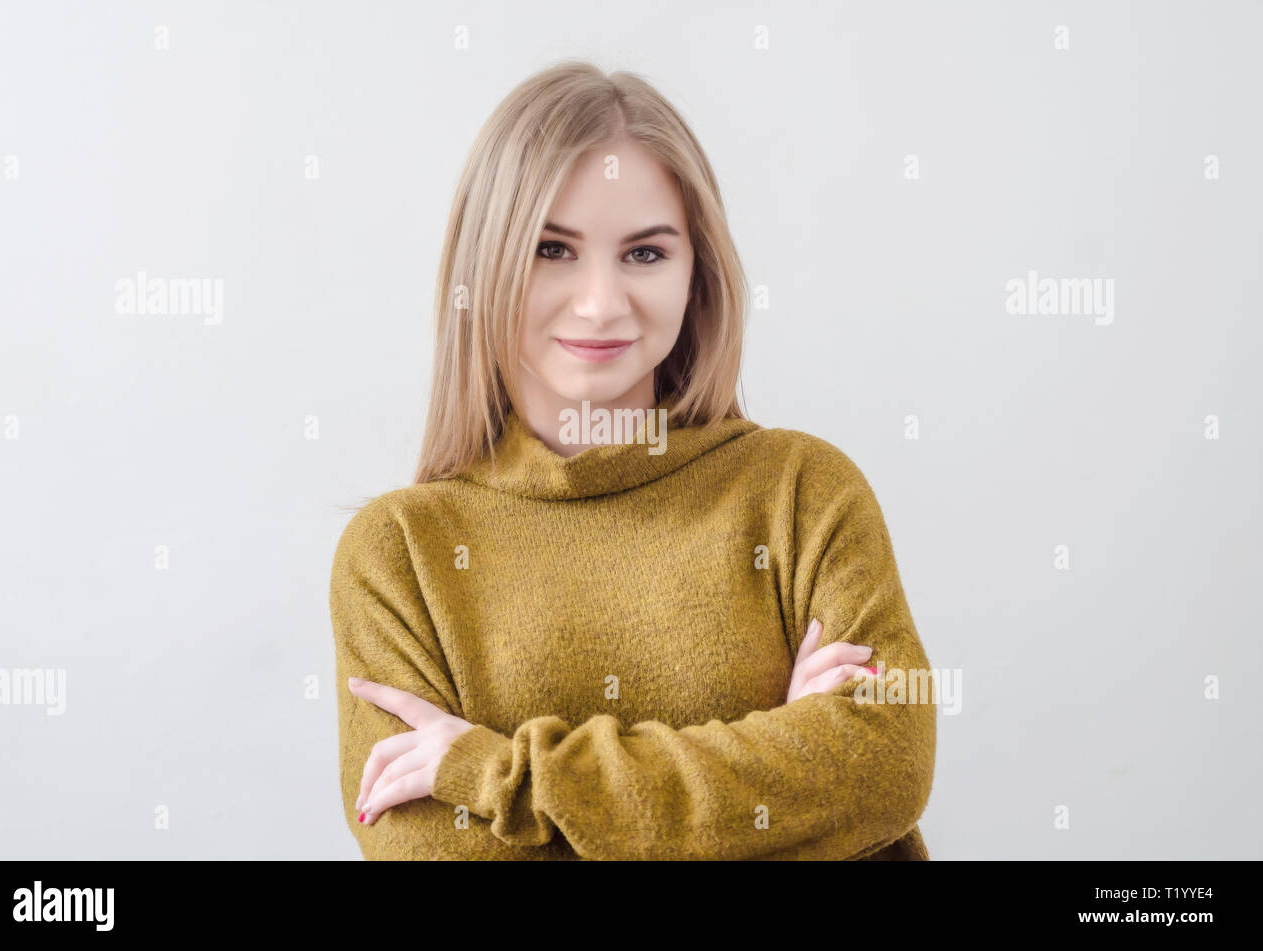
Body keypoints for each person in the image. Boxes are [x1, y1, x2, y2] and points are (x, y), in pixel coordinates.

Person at [329, 60, 936, 860]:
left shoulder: (802, 493)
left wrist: (499, 776)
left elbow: (882, 769)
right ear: (487, 265)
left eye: (645, 254)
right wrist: (788, 774)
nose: (601, 302)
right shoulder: (398, 555)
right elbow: (432, 851)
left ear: (697, 272)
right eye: (553, 249)